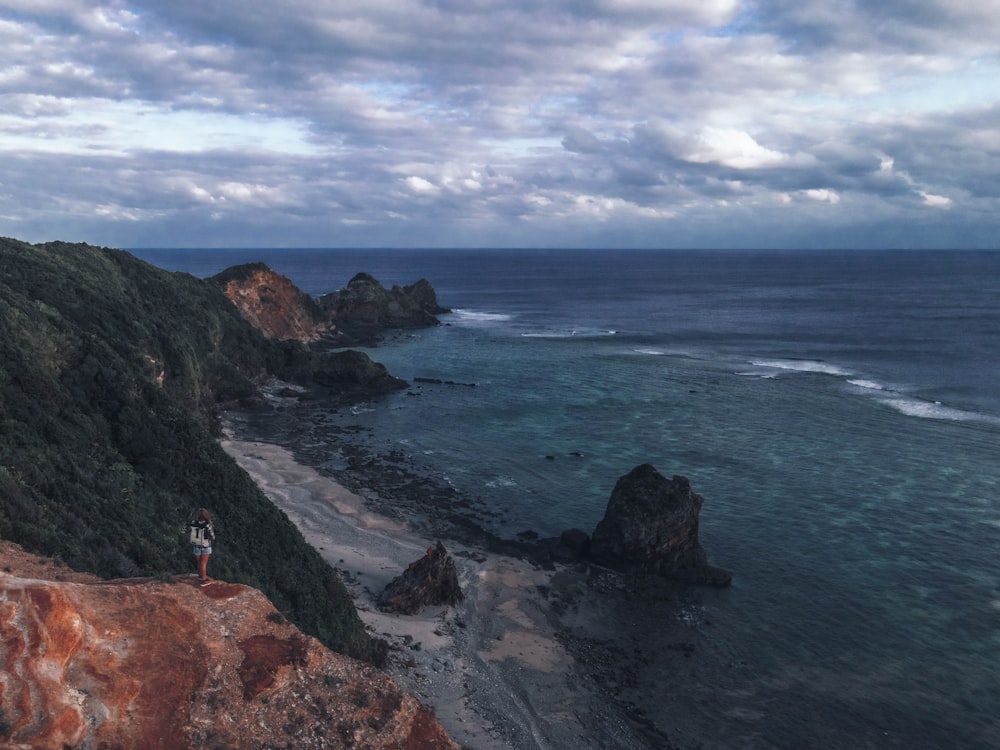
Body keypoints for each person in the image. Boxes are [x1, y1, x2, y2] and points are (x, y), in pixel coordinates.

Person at [189, 508, 216, 585]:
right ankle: (203, 580)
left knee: (199, 562)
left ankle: (200, 576)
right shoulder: (207, 525)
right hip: (205, 546)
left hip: (196, 545)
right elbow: (212, 537)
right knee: (203, 563)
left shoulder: (193, 522)